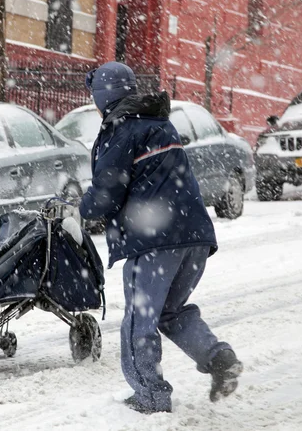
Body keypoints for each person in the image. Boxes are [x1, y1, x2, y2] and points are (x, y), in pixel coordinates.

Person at [79, 61, 243, 414]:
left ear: (103, 96)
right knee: (171, 312)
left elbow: (107, 193)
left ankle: (150, 398)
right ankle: (219, 359)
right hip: (195, 235)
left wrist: (82, 206)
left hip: (155, 239)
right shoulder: (160, 124)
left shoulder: (120, 131)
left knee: (141, 319)